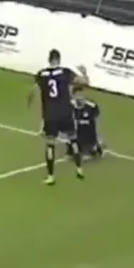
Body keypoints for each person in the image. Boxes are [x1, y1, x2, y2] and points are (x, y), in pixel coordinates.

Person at [30, 50, 86, 185]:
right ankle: (79, 169)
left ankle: (51, 176)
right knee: (73, 139)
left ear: (49, 59)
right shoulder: (65, 72)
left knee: (50, 144)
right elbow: (83, 82)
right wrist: (84, 73)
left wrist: (33, 106)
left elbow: (33, 92)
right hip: (65, 112)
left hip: (50, 114)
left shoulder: (41, 74)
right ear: (59, 59)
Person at [68, 88, 104, 161]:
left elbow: (96, 117)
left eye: (81, 95)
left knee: (91, 150)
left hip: (89, 130)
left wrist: (97, 133)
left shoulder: (91, 105)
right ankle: (74, 148)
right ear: (74, 96)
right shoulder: (70, 105)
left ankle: (95, 146)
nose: (79, 97)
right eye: (77, 95)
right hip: (77, 131)